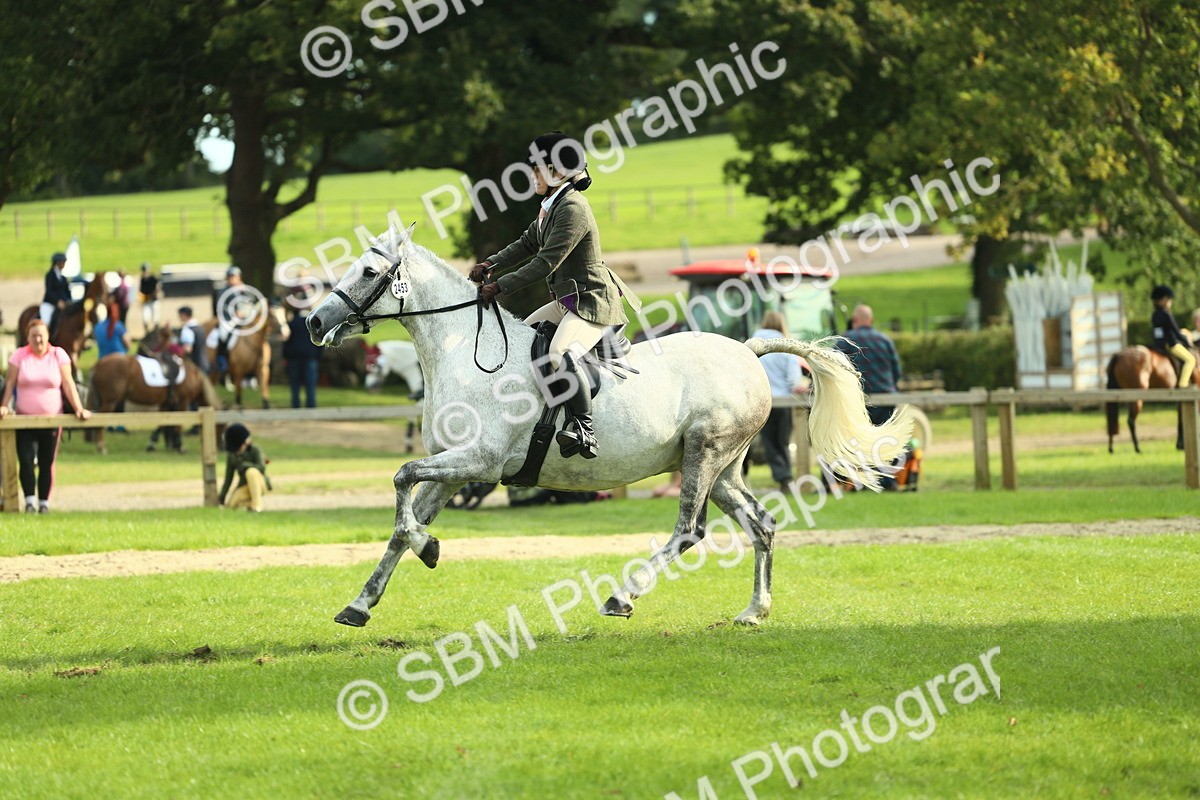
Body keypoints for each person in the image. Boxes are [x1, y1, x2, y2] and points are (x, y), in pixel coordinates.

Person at [471, 131, 640, 460]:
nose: (532, 175)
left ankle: (583, 427)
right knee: (524, 338)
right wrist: (491, 263)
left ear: (558, 172)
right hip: (568, 301)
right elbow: (527, 243)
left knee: (557, 353)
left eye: (537, 169)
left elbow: (545, 262)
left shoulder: (573, 209)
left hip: (591, 303)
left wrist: (500, 286)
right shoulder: (552, 205)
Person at [0, 319, 90, 514]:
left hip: (52, 420)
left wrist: (78, 408)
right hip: (25, 420)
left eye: (41, 335)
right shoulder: (19, 356)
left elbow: (68, 384)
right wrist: (4, 406)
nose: (37, 339)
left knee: (46, 461)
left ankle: (44, 503)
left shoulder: (59, 355)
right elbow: (9, 384)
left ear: (48, 336)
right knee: (25, 459)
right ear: (28, 338)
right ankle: (30, 501)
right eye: (33, 336)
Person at [751, 310, 809, 492]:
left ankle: (782, 476)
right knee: (782, 440)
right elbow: (794, 380)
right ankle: (786, 478)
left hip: (763, 400)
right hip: (784, 400)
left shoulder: (753, 345)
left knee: (769, 442)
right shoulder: (785, 345)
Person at [834, 304, 902, 425]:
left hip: (858, 400)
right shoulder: (885, 340)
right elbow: (896, 371)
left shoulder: (845, 340)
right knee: (885, 439)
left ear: (854, 320)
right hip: (887, 399)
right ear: (871, 321)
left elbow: (830, 365)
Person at [218, 423, 272, 512]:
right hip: (245, 485)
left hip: (259, 482)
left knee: (251, 472)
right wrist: (221, 497)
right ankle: (251, 505)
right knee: (232, 504)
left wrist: (247, 465)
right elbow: (228, 478)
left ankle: (257, 505)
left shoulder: (255, 450)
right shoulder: (232, 456)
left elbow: (261, 467)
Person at [1150, 285, 1195, 388]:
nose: (1170, 302)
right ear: (1164, 300)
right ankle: (1183, 384)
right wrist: (1188, 342)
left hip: (1159, 345)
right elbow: (1176, 333)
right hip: (1171, 345)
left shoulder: (1154, 314)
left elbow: (1158, 333)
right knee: (1191, 359)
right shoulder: (1166, 314)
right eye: (1169, 299)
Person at [283, 307, 321, 408]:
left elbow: (286, 341)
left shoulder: (292, 323)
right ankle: (311, 407)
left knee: (295, 385)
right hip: (310, 358)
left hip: (294, 358)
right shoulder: (314, 323)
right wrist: (317, 356)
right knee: (310, 385)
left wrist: (286, 356)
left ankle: (296, 407)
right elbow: (320, 341)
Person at [40, 252, 72, 332]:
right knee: (46, 322)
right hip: (50, 304)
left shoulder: (63, 278)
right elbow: (49, 291)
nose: (64, 264)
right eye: (63, 262)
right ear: (58, 262)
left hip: (63, 305)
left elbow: (67, 292)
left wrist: (68, 301)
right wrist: (58, 302)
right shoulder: (49, 275)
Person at [177, 306, 209, 374]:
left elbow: (187, 349)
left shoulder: (187, 330)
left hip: (194, 366)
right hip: (204, 363)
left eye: (180, 315)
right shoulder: (200, 328)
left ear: (184, 315)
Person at [139, 263, 162, 334]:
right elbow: (141, 291)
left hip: (154, 301)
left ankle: (156, 334)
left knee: (155, 319)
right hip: (146, 301)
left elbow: (158, 286)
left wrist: (156, 293)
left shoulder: (153, 278)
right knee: (145, 318)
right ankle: (147, 334)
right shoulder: (142, 279)